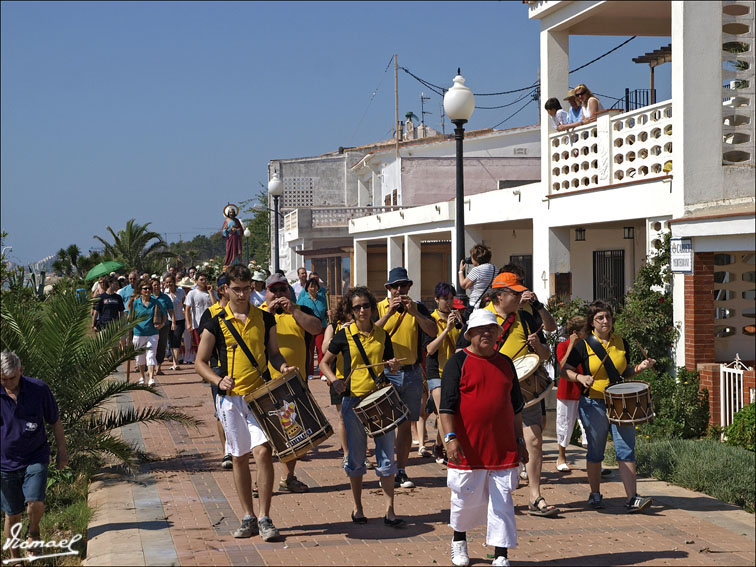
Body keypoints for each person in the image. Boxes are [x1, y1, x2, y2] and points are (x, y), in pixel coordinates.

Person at [195, 264, 292, 541]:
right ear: (225, 289)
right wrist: (217, 380)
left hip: (259, 396)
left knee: (263, 452)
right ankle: (248, 515)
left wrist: (283, 366)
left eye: (246, 289)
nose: (241, 294)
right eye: (236, 289)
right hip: (230, 401)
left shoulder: (265, 319)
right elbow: (200, 362)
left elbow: (274, 354)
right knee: (239, 457)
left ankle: (265, 516)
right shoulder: (215, 322)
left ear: (252, 288)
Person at [457, 272, 558, 518]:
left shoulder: (524, 318)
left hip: (523, 389)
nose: (519, 295)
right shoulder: (481, 316)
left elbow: (546, 353)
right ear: (499, 295)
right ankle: (490, 497)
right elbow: (462, 351)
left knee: (534, 440)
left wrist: (538, 346)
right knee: (492, 445)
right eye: (514, 292)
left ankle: (535, 495)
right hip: (489, 390)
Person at [439, 310, 528, 567]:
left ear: (498, 334)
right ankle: (459, 543)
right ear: (470, 335)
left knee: (502, 501)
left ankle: (501, 554)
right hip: (469, 447)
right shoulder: (458, 363)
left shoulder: (506, 363)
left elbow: (516, 408)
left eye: (491, 329)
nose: (487, 333)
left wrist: (520, 441)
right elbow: (446, 407)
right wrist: (450, 438)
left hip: (503, 447)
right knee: (464, 500)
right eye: (480, 330)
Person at [319, 287, 404, 527]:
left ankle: (390, 510)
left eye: (366, 305)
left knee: (387, 455)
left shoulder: (381, 334)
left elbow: (389, 367)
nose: (362, 310)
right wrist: (334, 381)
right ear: (351, 310)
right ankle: (358, 508)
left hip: (380, 400)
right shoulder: (343, 335)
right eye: (357, 307)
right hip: (353, 401)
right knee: (356, 457)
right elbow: (324, 362)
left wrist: (394, 366)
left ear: (372, 307)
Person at [561, 300, 656, 512]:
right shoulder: (583, 345)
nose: (605, 321)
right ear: (592, 322)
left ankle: (632, 497)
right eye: (600, 318)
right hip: (593, 402)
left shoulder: (621, 342)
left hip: (620, 402)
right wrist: (579, 377)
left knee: (626, 449)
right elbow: (564, 370)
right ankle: (595, 494)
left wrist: (640, 368)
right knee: (596, 451)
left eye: (608, 317)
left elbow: (624, 372)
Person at [1, 351, 68, 562]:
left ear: (21, 371)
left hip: (35, 456)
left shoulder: (38, 389)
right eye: (3, 379)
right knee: (12, 515)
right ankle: (16, 559)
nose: (9, 383)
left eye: (13, 378)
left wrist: (62, 451)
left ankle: (34, 530)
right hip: (5, 463)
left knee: (35, 501)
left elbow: (54, 420)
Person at [376, 267, 437, 489]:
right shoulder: (377, 308)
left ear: (410, 286)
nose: (399, 290)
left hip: (411, 372)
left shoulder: (418, 307)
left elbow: (432, 331)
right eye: (395, 286)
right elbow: (369, 335)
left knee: (404, 424)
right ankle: (385, 467)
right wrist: (389, 314)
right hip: (386, 374)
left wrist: (416, 314)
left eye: (403, 285)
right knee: (385, 425)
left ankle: (400, 469)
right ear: (388, 289)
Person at [261, 273, 321, 493]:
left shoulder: (300, 311)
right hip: (264, 384)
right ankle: (262, 480)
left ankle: (289, 478)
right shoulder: (258, 313)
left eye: (282, 290)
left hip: (294, 383)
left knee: (294, 435)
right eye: (273, 291)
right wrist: (267, 314)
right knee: (265, 438)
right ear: (266, 292)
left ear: (289, 291)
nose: (278, 295)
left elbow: (316, 328)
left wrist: (293, 311)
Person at [425, 282, 465, 464]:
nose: (448, 303)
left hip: (454, 370)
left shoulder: (457, 319)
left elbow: (466, 343)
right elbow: (430, 349)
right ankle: (449, 452)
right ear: (436, 300)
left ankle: (439, 444)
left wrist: (462, 325)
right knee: (443, 411)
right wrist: (447, 330)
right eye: (444, 299)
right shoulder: (430, 320)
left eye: (451, 299)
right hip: (435, 370)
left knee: (453, 411)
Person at [198, 275, 234, 470]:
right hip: (219, 367)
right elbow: (204, 338)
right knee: (221, 411)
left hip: (241, 368)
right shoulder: (211, 313)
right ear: (222, 290)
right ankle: (227, 450)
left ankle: (240, 447)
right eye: (232, 287)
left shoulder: (244, 312)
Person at [321, 296, 352, 464]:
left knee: (360, 418)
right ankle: (347, 454)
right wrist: (340, 335)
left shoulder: (362, 326)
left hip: (359, 377)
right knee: (343, 417)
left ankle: (358, 452)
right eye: (350, 311)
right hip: (339, 377)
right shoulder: (334, 327)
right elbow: (325, 347)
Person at [555, 316, 588, 471]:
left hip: (585, 391)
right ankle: (561, 457)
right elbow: (562, 367)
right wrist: (571, 347)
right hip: (567, 391)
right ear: (575, 332)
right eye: (585, 331)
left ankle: (593, 462)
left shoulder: (588, 346)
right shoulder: (562, 346)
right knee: (564, 425)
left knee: (589, 427)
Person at [129, 279, 165, 386]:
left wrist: (161, 325)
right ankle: (141, 376)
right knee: (140, 357)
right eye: (145, 288)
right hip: (138, 333)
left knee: (151, 355)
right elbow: (130, 318)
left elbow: (164, 315)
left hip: (152, 333)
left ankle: (151, 378)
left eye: (149, 288)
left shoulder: (156, 302)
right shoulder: (136, 303)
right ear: (140, 290)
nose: (148, 290)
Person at [297, 277, 329, 380]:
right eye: (311, 286)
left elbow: (326, 311)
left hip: (321, 327)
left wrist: (328, 313)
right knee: (309, 350)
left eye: (315, 286)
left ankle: (323, 372)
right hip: (308, 328)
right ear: (307, 288)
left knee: (321, 349)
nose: (313, 288)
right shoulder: (303, 300)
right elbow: (299, 313)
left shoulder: (323, 299)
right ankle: (309, 372)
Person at [185, 272, 217, 362]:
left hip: (211, 323)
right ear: (196, 281)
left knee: (211, 346)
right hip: (198, 324)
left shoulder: (212, 292)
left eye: (205, 279)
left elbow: (216, 305)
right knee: (201, 346)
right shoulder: (192, 293)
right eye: (201, 279)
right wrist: (188, 324)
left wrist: (210, 292)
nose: (204, 281)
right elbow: (187, 309)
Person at [458, 244, 496, 314]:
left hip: (476, 304)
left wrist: (460, 271)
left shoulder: (477, 270)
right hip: (489, 303)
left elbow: (463, 285)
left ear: (476, 258)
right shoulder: (495, 269)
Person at [163, 273, 186, 371]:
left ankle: (175, 362)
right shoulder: (165, 292)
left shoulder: (181, 291)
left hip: (180, 318)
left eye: (170, 282)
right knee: (170, 340)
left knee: (177, 339)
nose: (169, 284)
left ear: (174, 282)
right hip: (168, 319)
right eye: (167, 282)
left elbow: (184, 304)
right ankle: (174, 360)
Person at [151, 278, 174, 376]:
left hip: (164, 325)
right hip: (150, 326)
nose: (156, 287)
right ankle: (150, 368)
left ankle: (158, 368)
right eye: (154, 285)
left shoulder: (165, 297)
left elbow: (171, 311)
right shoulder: (148, 297)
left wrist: (173, 322)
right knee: (151, 347)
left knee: (162, 345)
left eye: (157, 285)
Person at [222, 205, 244, 269]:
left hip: (236, 238)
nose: (231, 214)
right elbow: (223, 232)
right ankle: (228, 263)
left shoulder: (236, 221)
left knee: (236, 251)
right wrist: (226, 230)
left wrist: (237, 230)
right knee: (229, 251)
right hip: (230, 238)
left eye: (232, 212)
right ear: (228, 213)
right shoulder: (227, 221)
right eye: (230, 212)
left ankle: (236, 263)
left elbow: (241, 230)